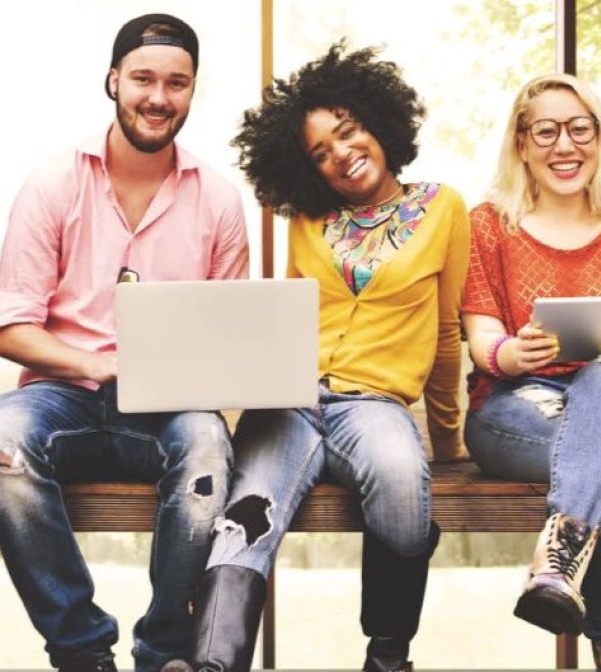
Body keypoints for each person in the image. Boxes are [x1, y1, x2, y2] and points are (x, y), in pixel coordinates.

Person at [0, 13, 248, 672]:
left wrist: (199, 374)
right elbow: (11, 329)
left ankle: (163, 651)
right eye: (144, 79)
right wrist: (96, 363)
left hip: (167, 408)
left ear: (190, 92)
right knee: (0, 442)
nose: (158, 98)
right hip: (60, 398)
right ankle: (80, 652)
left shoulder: (217, 198)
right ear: (113, 81)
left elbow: (234, 339)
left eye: (176, 83)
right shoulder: (54, 183)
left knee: (209, 447)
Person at [183, 43, 468, 672]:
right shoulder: (307, 221)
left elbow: (447, 333)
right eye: (321, 152)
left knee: (401, 478)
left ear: (378, 123)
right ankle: (212, 662)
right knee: (246, 512)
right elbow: (282, 321)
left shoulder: (443, 207)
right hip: (290, 399)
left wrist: (448, 442)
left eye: (348, 132)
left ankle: (388, 656)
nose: (341, 153)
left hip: (374, 402)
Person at [461, 72, 601, 670]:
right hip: (518, 405)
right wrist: (507, 355)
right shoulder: (488, 225)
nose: (564, 145)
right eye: (546, 131)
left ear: (599, 138)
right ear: (521, 143)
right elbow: (482, 338)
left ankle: (559, 557)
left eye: (580, 129)